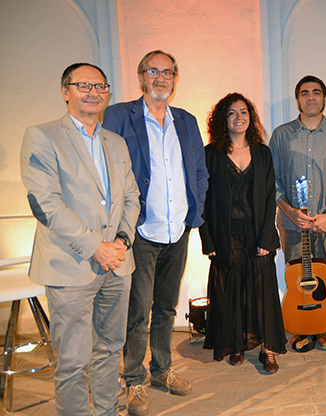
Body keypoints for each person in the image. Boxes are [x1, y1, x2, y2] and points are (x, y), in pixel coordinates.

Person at [20, 63, 140, 415]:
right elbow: (45, 203)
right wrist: (94, 247)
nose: (93, 92)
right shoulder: (43, 136)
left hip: (118, 264)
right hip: (70, 266)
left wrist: (122, 242)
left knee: (109, 349)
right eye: (83, 85)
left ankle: (106, 410)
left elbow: (131, 198)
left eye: (100, 86)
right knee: (73, 361)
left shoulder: (115, 143)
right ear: (65, 91)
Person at [102, 50, 209, 415]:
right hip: (140, 229)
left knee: (166, 306)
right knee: (138, 310)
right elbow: (108, 169)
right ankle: (133, 380)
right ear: (141, 77)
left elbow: (199, 170)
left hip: (178, 228)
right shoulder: (119, 115)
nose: (161, 78)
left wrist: (196, 210)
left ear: (175, 79)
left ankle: (162, 370)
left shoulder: (187, 121)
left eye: (168, 72)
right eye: (153, 71)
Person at [199, 93, 286, 373]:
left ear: (251, 118)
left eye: (244, 112)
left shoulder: (262, 152)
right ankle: (235, 345)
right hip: (225, 233)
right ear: (223, 119)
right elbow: (201, 198)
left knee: (262, 290)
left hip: (257, 231)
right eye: (232, 113)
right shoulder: (210, 154)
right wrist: (208, 239)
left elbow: (270, 195)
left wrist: (266, 237)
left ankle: (267, 349)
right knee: (231, 292)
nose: (239, 117)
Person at [269, 75, 326, 352]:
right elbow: (273, 178)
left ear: (324, 98)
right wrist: (290, 212)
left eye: (316, 92)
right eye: (305, 93)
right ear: (298, 99)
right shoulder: (281, 135)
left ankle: (325, 327)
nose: (311, 97)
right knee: (298, 277)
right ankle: (302, 327)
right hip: (292, 224)